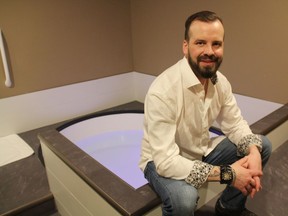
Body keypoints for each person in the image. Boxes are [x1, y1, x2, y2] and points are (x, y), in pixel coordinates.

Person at [139, 11, 272, 216]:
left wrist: (253, 153)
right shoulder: (163, 91)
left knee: (261, 145)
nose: (209, 51)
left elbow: (235, 124)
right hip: (160, 161)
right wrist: (230, 175)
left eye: (216, 44)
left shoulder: (220, 82)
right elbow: (166, 162)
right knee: (184, 200)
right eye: (200, 43)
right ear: (185, 46)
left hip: (200, 152)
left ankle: (228, 207)